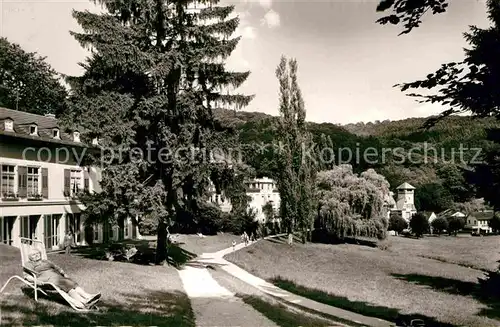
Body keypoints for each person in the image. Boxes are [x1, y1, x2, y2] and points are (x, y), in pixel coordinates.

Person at [24, 249, 101, 309]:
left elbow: (57, 267)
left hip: (56, 276)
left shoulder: (46, 261)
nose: (36, 255)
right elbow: (27, 276)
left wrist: (63, 273)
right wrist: (36, 281)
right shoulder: (29, 264)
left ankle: (86, 297)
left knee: (69, 282)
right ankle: (83, 301)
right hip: (46, 279)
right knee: (65, 283)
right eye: (34, 255)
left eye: (38, 253)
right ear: (30, 257)